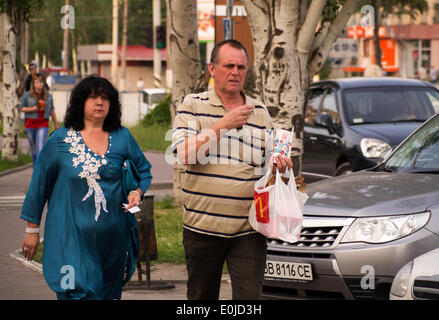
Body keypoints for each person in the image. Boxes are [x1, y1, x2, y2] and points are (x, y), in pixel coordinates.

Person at [172, 39, 292, 300]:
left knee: (250, 298)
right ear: (212, 69)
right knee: (201, 300)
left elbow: (269, 163)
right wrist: (221, 125)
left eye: (241, 67)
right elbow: (184, 155)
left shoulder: (259, 111)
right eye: (228, 66)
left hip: (249, 230)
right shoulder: (192, 104)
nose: (235, 72)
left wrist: (280, 167)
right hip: (202, 228)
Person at [20, 75, 152, 300]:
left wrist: (137, 192)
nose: (100, 102)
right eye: (93, 97)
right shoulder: (60, 141)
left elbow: (144, 171)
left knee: (107, 294)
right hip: (71, 238)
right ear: (80, 102)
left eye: (105, 97)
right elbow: (38, 185)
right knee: (79, 292)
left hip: (113, 238)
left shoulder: (123, 137)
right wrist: (32, 231)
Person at [19, 73, 59, 166]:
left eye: (41, 82)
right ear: (33, 84)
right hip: (30, 124)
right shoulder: (27, 95)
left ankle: (39, 170)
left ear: (44, 84)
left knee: (40, 149)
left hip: (43, 124)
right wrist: (33, 109)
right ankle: (35, 168)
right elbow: (21, 108)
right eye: (37, 82)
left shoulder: (48, 96)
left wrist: (56, 124)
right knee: (33, 151)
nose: (39, 84)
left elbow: (52, 110)